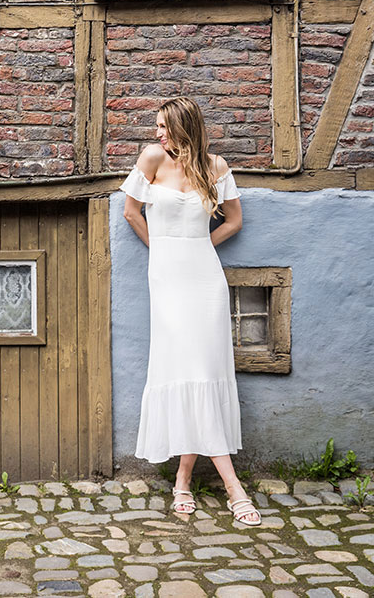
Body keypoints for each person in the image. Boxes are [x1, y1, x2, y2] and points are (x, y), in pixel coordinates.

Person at [120, 95, 260, 527]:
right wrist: (160, 250)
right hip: (167, 279)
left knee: (204, 372)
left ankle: (183, 480)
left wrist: (201, 247)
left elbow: (234, 221)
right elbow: (131, 212)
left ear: (183, 127)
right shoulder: (151, 158)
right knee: (183, 371)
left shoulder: (215, 167)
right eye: (157, 127)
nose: (157, 134)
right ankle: (233, 487)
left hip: (205, 280)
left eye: (164, 126)